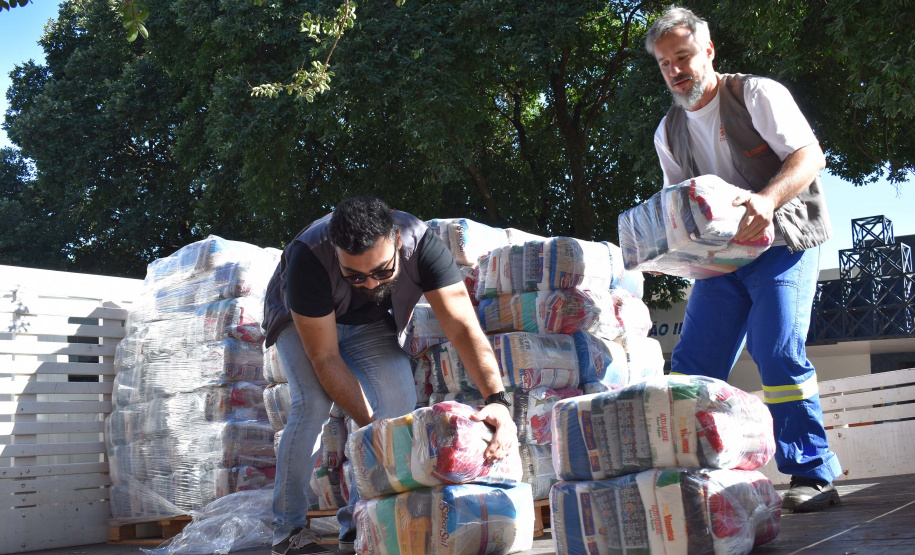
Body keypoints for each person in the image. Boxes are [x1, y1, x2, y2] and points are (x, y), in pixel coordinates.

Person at [644, 6, 842, 512]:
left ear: (708, 51)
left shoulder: (757, 94)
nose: (675, 70)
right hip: (721, 261)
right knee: (691, 367)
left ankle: (812, 474)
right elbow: (679, 205)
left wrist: (767, 200)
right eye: (665, 63)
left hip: (783, 242)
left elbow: (810, 156)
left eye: (683, 56)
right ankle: (693, 470)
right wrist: (663, 253)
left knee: (774, 348)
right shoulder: (668, 132)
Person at [262, 196, 517, 554]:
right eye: (355, 275)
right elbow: (325, 357)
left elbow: (462, 328)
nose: (369, 283)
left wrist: (498, 401)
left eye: (382, 271)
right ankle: (287, 531)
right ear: (336, 253)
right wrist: (373, 432)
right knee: (313, 403)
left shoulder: (422, 244)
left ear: (397, 240)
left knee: (399, 401)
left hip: (366, 322)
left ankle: (360, 520)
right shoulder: (309, 259)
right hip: (302, 320)